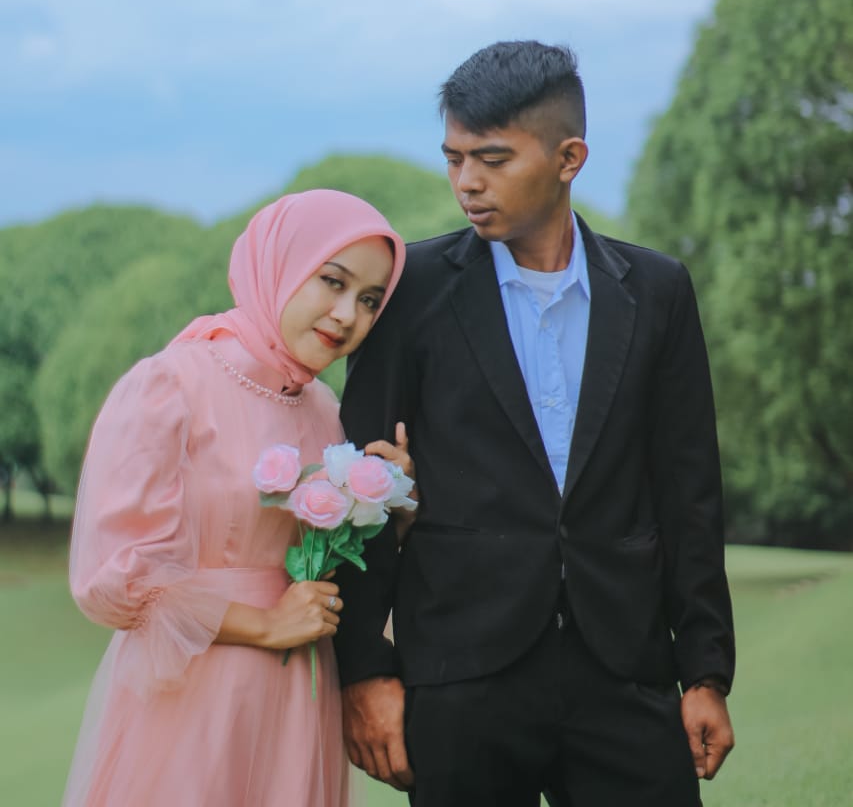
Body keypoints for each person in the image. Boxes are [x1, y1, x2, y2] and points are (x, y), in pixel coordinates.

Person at [334, 41, 736, 807]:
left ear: (568, 157)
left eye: (491, 159)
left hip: (625, 672)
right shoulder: (409, 293)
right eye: (453, 159)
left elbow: (689, 494)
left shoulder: (657, 292)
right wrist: (364, 671)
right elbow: (360, 486)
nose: (466, 181)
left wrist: (705, 671)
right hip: (459, 678)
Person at [62, 189, 411, 807]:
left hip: (296, 701)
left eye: (368, 300)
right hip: (193, 694)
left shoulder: (326, 411)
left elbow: (334, 569)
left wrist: (392, 503)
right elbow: (116, 579)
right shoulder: (171, 385)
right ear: (278, 265)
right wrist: (266, 623)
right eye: (332, 281)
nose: (346, 315)